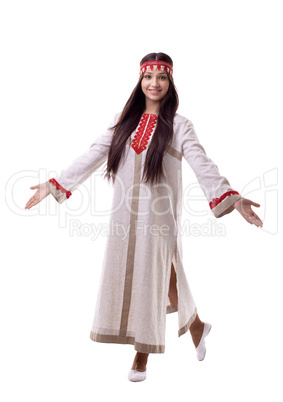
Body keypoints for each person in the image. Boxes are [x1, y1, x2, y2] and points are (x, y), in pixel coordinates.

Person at [25, 52, 263, 382]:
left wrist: (231, 197)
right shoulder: (123, 123)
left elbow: (201, 163)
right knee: (166, 279)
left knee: (151, 279)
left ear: (170, 82)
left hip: (159, 219)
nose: (154, 84)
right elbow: (92, 155)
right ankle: (196, 326)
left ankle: (142, 354)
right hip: (124, 218)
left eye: (162, 77)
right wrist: (55, 184)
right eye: (148, 77)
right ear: (140, 81)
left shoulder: (180, 126)